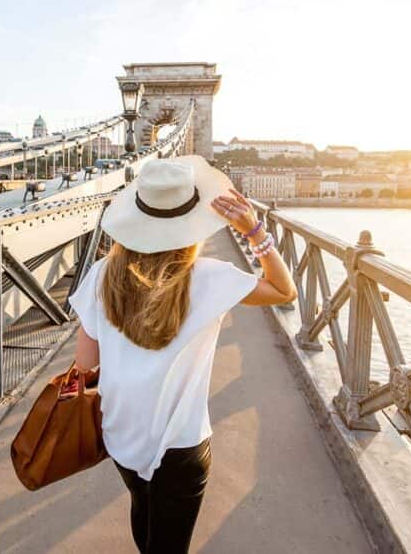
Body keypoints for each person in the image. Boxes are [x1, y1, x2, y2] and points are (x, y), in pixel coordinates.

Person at [67, 155, 297, 554]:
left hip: (121, 432)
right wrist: (254, 232)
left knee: (143, 508)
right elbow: (284, 291)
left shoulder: (103, 274)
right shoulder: (211, 278)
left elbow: (84, 365)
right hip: (180, 443)